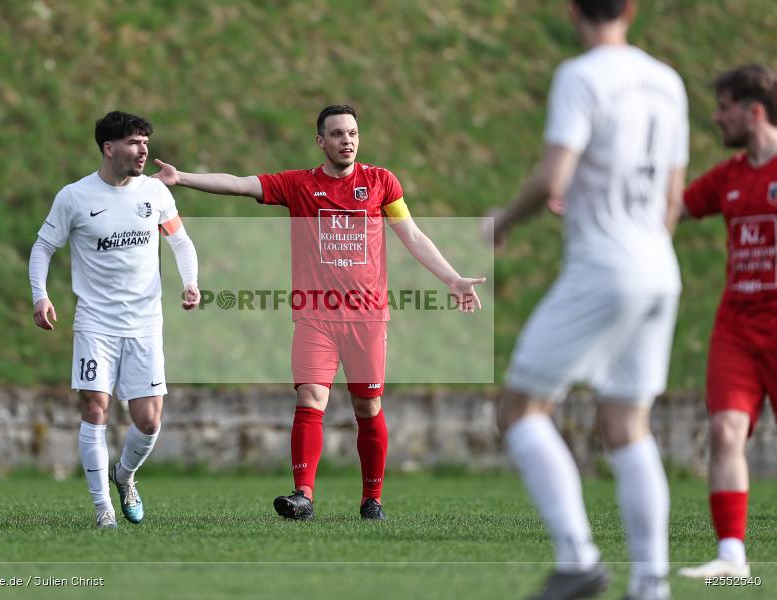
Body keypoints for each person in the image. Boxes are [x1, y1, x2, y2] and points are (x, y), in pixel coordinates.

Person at [152, 104, 484, 521]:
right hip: (315, 316)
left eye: (353, 133)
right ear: (320, 141)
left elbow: (413, 234)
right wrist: (181, 177)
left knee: (368, 407)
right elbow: (240, 184)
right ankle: (303, 494)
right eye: (338, 134)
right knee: (310, 398)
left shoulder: (381, 183)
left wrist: (452, 278)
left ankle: (372, 499)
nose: (347, 140)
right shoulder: (298, 185)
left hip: (367, 318)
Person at [485, 1, 688, 598]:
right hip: (660, 265)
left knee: (521, 411)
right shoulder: (667, 81)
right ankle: (651, 587)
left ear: (573, 10)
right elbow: (670, 195)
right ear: (632, 8)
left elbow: (552, 177)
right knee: (627, 425)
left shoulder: (581, 75)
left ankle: (577, 559)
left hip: (605, 265)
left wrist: (504, 220)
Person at [29, 111, 200, 529]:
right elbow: (42, 247)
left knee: (149, 420)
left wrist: (191, 283)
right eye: (134, 142)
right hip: (96, 323)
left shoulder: (156, 194)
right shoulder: (74, 197)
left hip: (144, 323)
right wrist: (41, 296)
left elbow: (180, 241)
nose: (144, 150)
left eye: (145, 142)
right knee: (96, 406)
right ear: (109, 148)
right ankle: (103, 508)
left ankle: (124, 476)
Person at [676, 64, 777, 580]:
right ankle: (732, 558)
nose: (716, 118)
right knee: (724, 431)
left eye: (724, 107)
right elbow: (672, 210)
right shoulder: (730, 176)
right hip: (736, 327)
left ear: (753, 111)